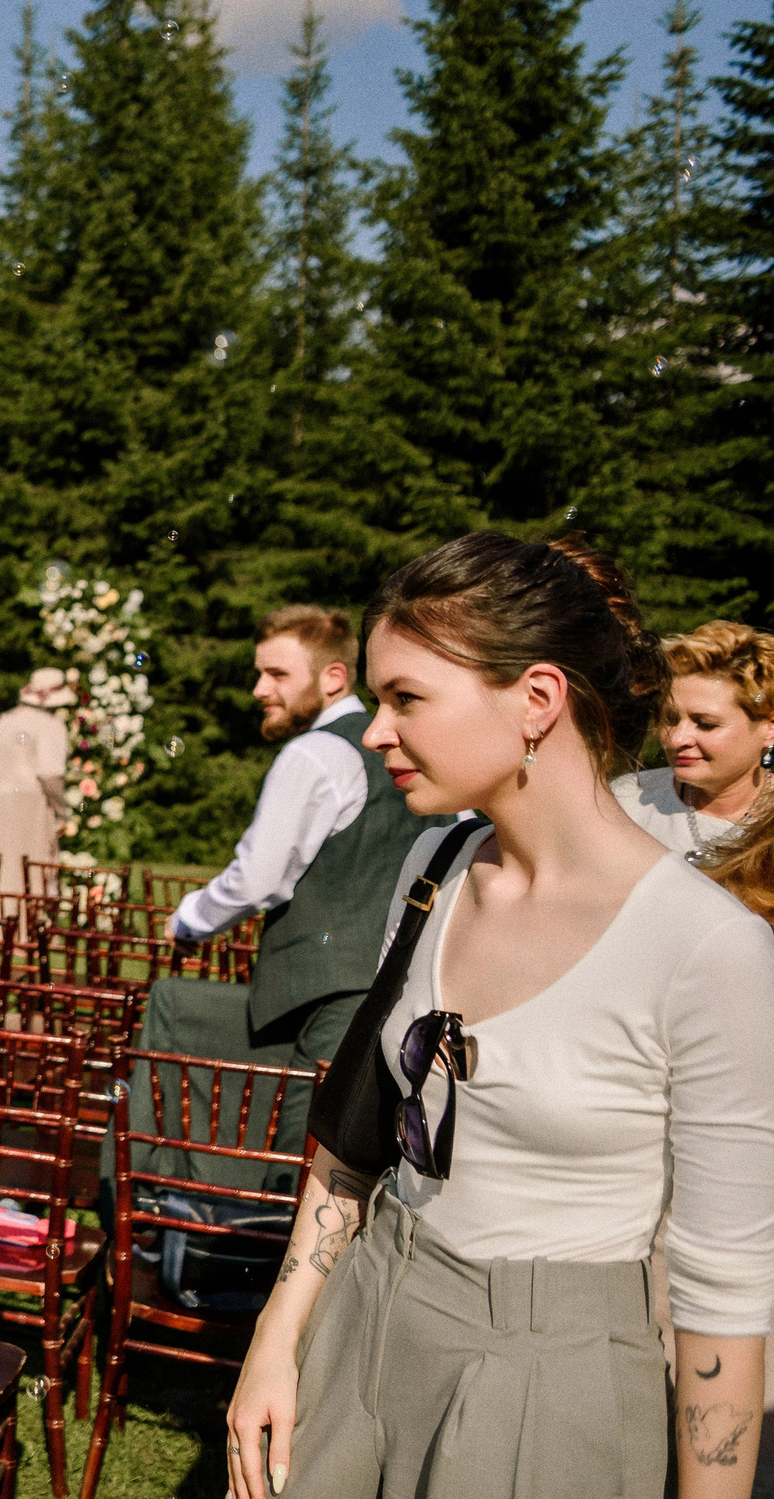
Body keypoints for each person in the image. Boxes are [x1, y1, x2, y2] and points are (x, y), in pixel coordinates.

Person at [226, 532, 774, 1499]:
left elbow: (723, 1300)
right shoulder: (434, 865)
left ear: (536, 698)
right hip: (366, 1311)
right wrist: (279, 1334)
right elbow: (360, 1129)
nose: (375, 732)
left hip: (545, 1381)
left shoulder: (708, 946)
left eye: (407, 697)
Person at [138, 608, 444, 1181]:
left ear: (333, 677)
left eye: (277, 674)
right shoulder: (421, 751)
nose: (259, 689)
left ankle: (162, 1196)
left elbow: (258, 879)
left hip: (324, 1001)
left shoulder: (315, 753)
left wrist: (188, 920)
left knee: (301, 1163)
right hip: (401, 997)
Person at [610, 619, 773, 860]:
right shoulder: (629, 801)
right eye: (670, 719)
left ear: (769, 729)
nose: (677, 739)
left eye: (706, 724)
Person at [0, 668, 73, 895]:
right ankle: (22, 917)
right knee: (27, 870)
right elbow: (50, 774)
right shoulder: (51, 725)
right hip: (29, 804)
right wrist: (61, 810)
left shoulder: (5, 720)